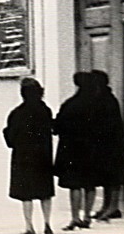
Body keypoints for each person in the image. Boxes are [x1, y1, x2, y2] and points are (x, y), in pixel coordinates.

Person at [4, 78, 55, 234]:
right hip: (43, 157)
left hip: (23, 157)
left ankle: (29, 226)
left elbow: (10, 139)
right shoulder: (46, 111)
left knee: (26, 194)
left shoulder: (17, 113)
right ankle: (47, 224)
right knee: (45, 192)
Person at [54, 72, 99, 230]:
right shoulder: (96, 105)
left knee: (75, 184)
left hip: (72, 148)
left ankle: (75, 217)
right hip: (92, 148)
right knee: (90, 183)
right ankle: (87, 216)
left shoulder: (69, 104)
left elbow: (57, 127)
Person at [90, 70, 124, 222]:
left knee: (113, 177)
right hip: (103, 143)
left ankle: (113, 207)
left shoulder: (108, 100)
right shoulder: (101, 98)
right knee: (105, 177)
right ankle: (106, 206)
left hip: (111, 143)